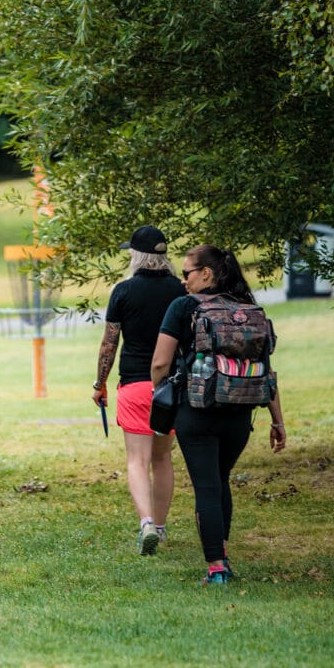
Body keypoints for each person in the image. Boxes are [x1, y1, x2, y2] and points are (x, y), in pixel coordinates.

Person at [151, 244, 287, 585]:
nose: (183, 281)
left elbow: (159, 363)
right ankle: (222, 553)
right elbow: (267, 370)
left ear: (206, 273)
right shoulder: (249, 309)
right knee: (220, 480)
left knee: (207, 487)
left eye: (186, 273)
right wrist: (277, 420)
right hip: (240, 414)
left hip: (196, 412)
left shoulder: (182, 307)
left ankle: (217, 568)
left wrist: (161, 392)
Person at [93, 225, 185, 555]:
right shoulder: (182, 290)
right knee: (162, 458)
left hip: (133, 384)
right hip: (171, 388)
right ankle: (159, 528)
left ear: (137, 255)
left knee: (137, 459)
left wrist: (100, 383)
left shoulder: (123, 291)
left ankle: (145, 522)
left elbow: (109, 344)